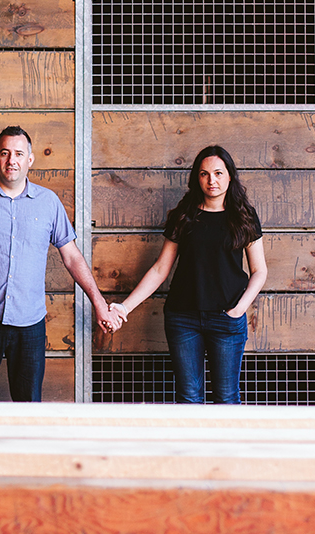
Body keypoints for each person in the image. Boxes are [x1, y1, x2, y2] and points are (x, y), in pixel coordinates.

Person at [0, 124, 120, 401]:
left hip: (30, 324)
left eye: (18, 154)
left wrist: (99, 303)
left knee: (29, 406)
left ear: (30, 159)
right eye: (5, 153)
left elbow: (71, 256)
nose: (11, 160)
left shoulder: (48, 202)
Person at [109, 144, 266, 404]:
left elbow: (260, 271)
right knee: (188, 399)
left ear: (229, 176)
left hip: (227, 319)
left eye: (218, 173)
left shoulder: (243, 216)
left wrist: (239, 309)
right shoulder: (185, 215)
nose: (211, 180)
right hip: (184, 319)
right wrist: (124, 308)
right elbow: (161, 268)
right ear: (197, 178)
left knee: (227, 398)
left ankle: (228, 447)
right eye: (204, 174)